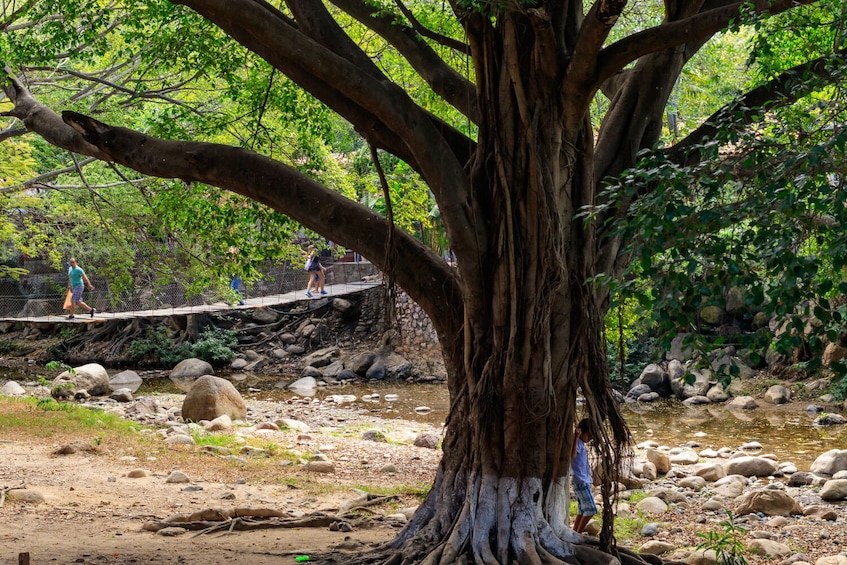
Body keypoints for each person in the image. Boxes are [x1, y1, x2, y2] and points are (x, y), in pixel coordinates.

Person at [571, 418, 597, 534]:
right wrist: (576, 437)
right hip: (580, 481)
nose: (589, 438)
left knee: (582, 510)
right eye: (589, 435)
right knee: (591, 509)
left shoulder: (580, 443)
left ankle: (575, 533)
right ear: (583, 433)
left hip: (582, 480)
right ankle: (578, 534)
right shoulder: (578, 443)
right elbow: (572, 455)